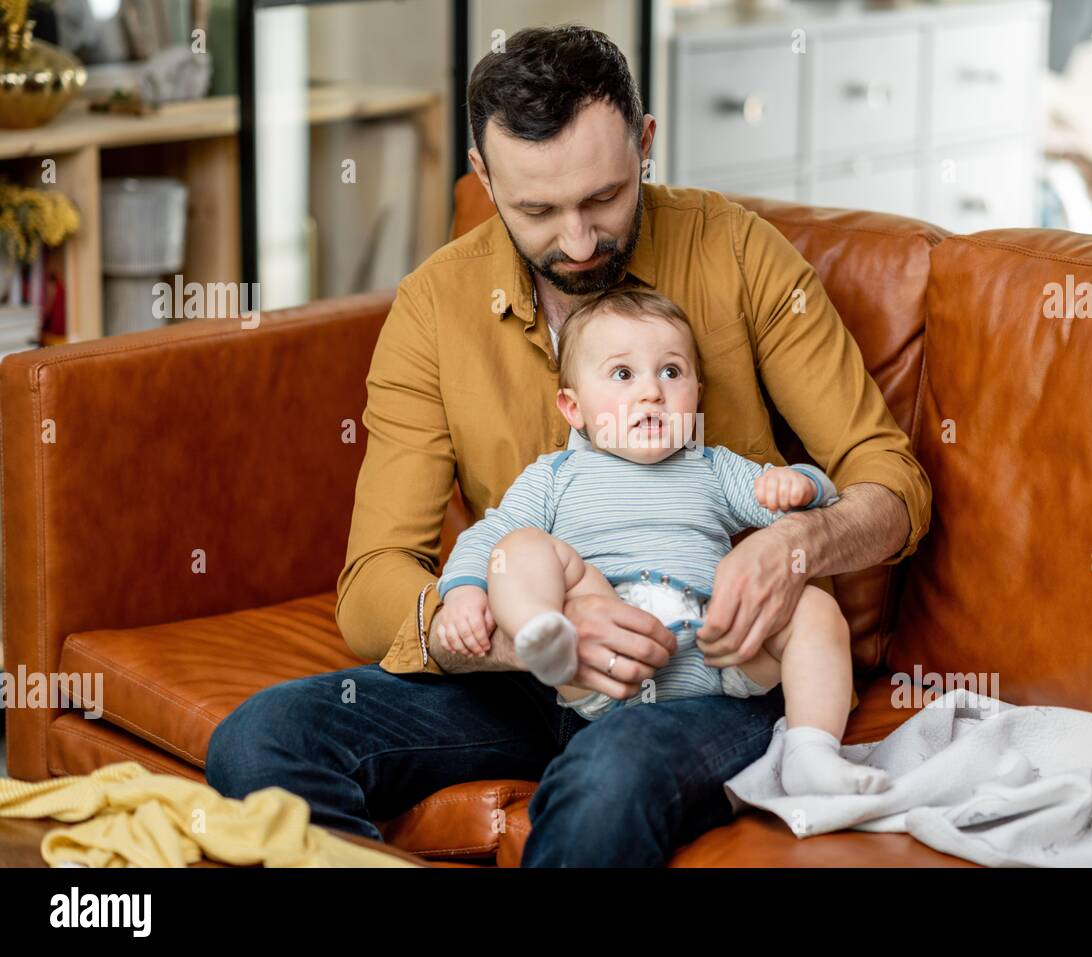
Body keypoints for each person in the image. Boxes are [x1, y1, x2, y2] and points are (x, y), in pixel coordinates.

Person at [205, 24, 930, 866]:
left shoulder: (737, 253)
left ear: (646, 144)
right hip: (522, 677)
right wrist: (527, 635)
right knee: (260, 741)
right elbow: (372, 587)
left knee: (610, 773)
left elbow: (892, 484)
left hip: (702, 669)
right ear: (483, 176)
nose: (580, 242)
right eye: (538, 211)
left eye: (604, 198)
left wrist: (798, 547)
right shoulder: (434, 309)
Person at [436, 287, 890, 796]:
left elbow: (812, 509)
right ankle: (545, 634)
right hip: (597, 656)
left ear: (696, 392)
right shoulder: (555, 476)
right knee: (519, 546)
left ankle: (811, 752)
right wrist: (463, 594)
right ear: (573, 407)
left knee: (813, 605)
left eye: (671, 373)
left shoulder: (712, 468)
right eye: (623, 374)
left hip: (716, 652)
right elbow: (489, 540)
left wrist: (804, 484)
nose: (652, 392)